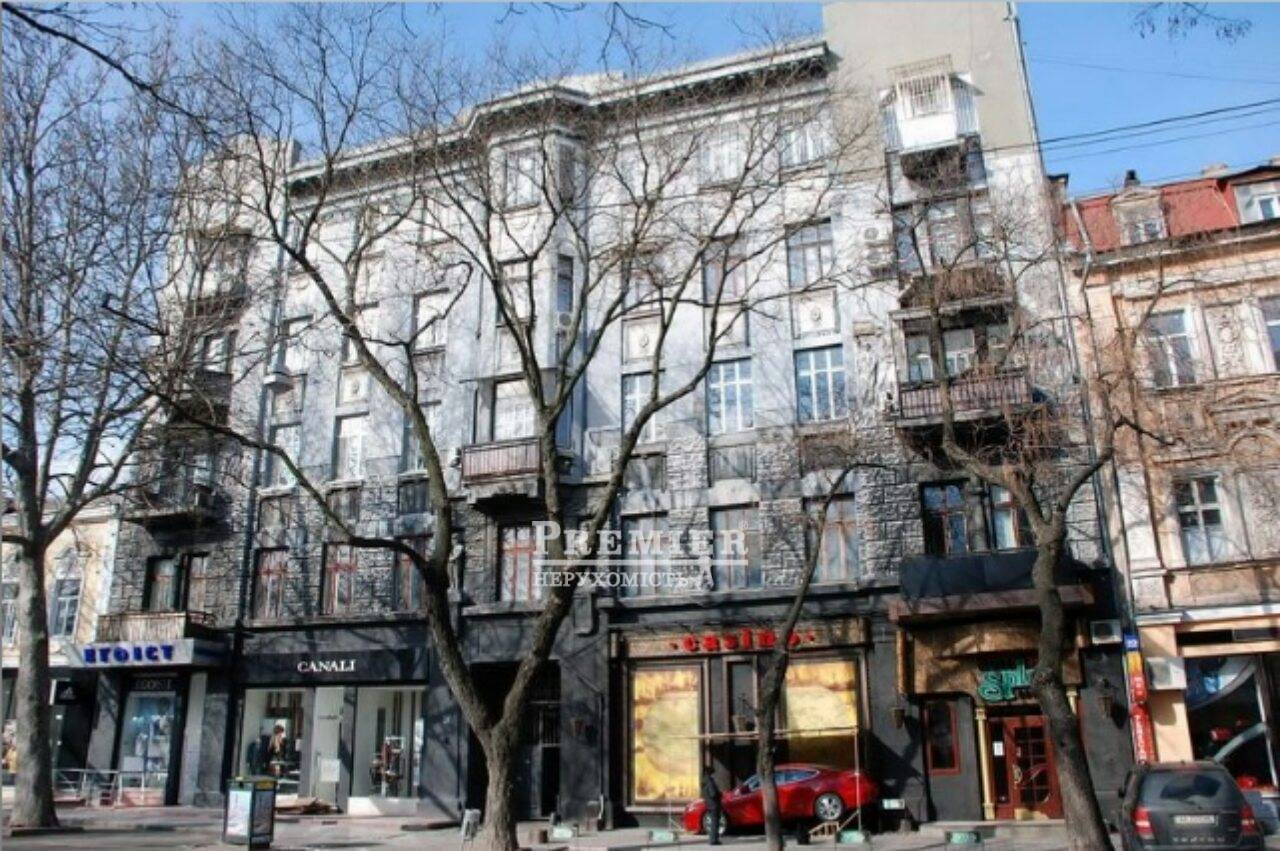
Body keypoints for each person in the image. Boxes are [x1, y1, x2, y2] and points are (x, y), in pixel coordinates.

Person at [701, 764, 723, 845]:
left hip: (708, 804)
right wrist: (719, 794)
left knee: (713, 822)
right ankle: (714, 840)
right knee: (715, 822)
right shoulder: (710, 781)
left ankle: (713, 839)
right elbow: (713, 793)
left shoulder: (703, 781)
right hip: (714, 804)